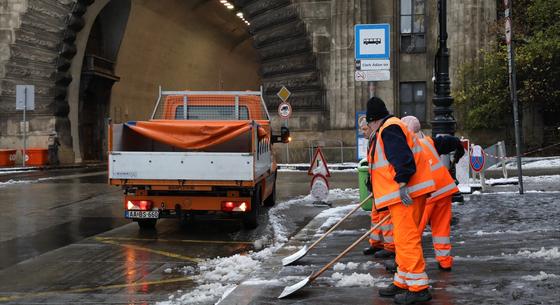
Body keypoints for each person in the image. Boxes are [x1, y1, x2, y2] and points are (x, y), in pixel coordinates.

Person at [364, 97, 435, 304]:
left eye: (369, 123)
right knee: (403, 240)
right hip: (403, 194)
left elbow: (402, 158)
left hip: (406, 194)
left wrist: (403, 182)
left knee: (407, 239)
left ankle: (419, 288)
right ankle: (403, 281)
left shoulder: (389, 128)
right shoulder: (390, 127)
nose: (369, 127)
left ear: (374, 120)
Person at [401, 115, 465, 271]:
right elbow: (451, 141)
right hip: (444, 190)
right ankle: (445, 261)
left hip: (427, 193)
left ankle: (405, 264)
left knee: (414, 229)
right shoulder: (429, 142)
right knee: (441, 228)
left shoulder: (408, 148)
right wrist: (459, 148)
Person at [361, 127, 395, 258]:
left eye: (365, 129)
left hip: (385, 187)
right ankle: (376, 243)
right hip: (378, 186)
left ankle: (390, 247)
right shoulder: (372, 140)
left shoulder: (380, 139)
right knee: (375, 217)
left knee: (384, 218)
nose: (362, 132)